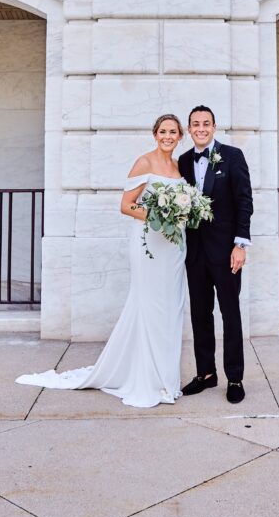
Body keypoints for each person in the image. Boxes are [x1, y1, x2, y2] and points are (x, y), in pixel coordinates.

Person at [15, 114, 187, 409]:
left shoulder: (178, 166)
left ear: (180, 136)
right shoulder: (144, 162)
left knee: (171, 309)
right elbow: (126, 205)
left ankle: (166, 379)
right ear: (154, 134)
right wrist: (159, 216)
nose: (168, 136)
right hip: (148, 244)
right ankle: (147, 380)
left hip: (173, 248)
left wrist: (181, 215)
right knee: (148, 307)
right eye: (163, 131)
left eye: (173, 132)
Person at [178, 105, 253, 404]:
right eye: (195, 124)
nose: (201, 128)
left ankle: (235, 377)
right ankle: (206, 374)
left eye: (206, 123)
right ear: (189, 128)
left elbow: (244, 200)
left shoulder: (232, 156)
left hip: (226, 252)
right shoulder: (182, 161)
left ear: (214, 126)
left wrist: (240, 245)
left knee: (230, 313)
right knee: (199, 314)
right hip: (194, 253)